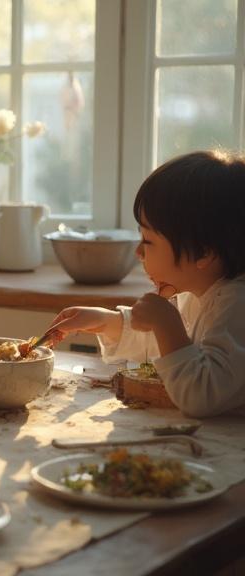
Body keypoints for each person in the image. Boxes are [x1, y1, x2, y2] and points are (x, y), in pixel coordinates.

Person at [47, 150, 245, 417]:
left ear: (203, 253)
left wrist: (167, 323)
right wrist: (109, 322)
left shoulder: (237, 305)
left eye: (148, 241)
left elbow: (201, 395)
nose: (139, 253)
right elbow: (171, 349)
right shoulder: (197, 295)